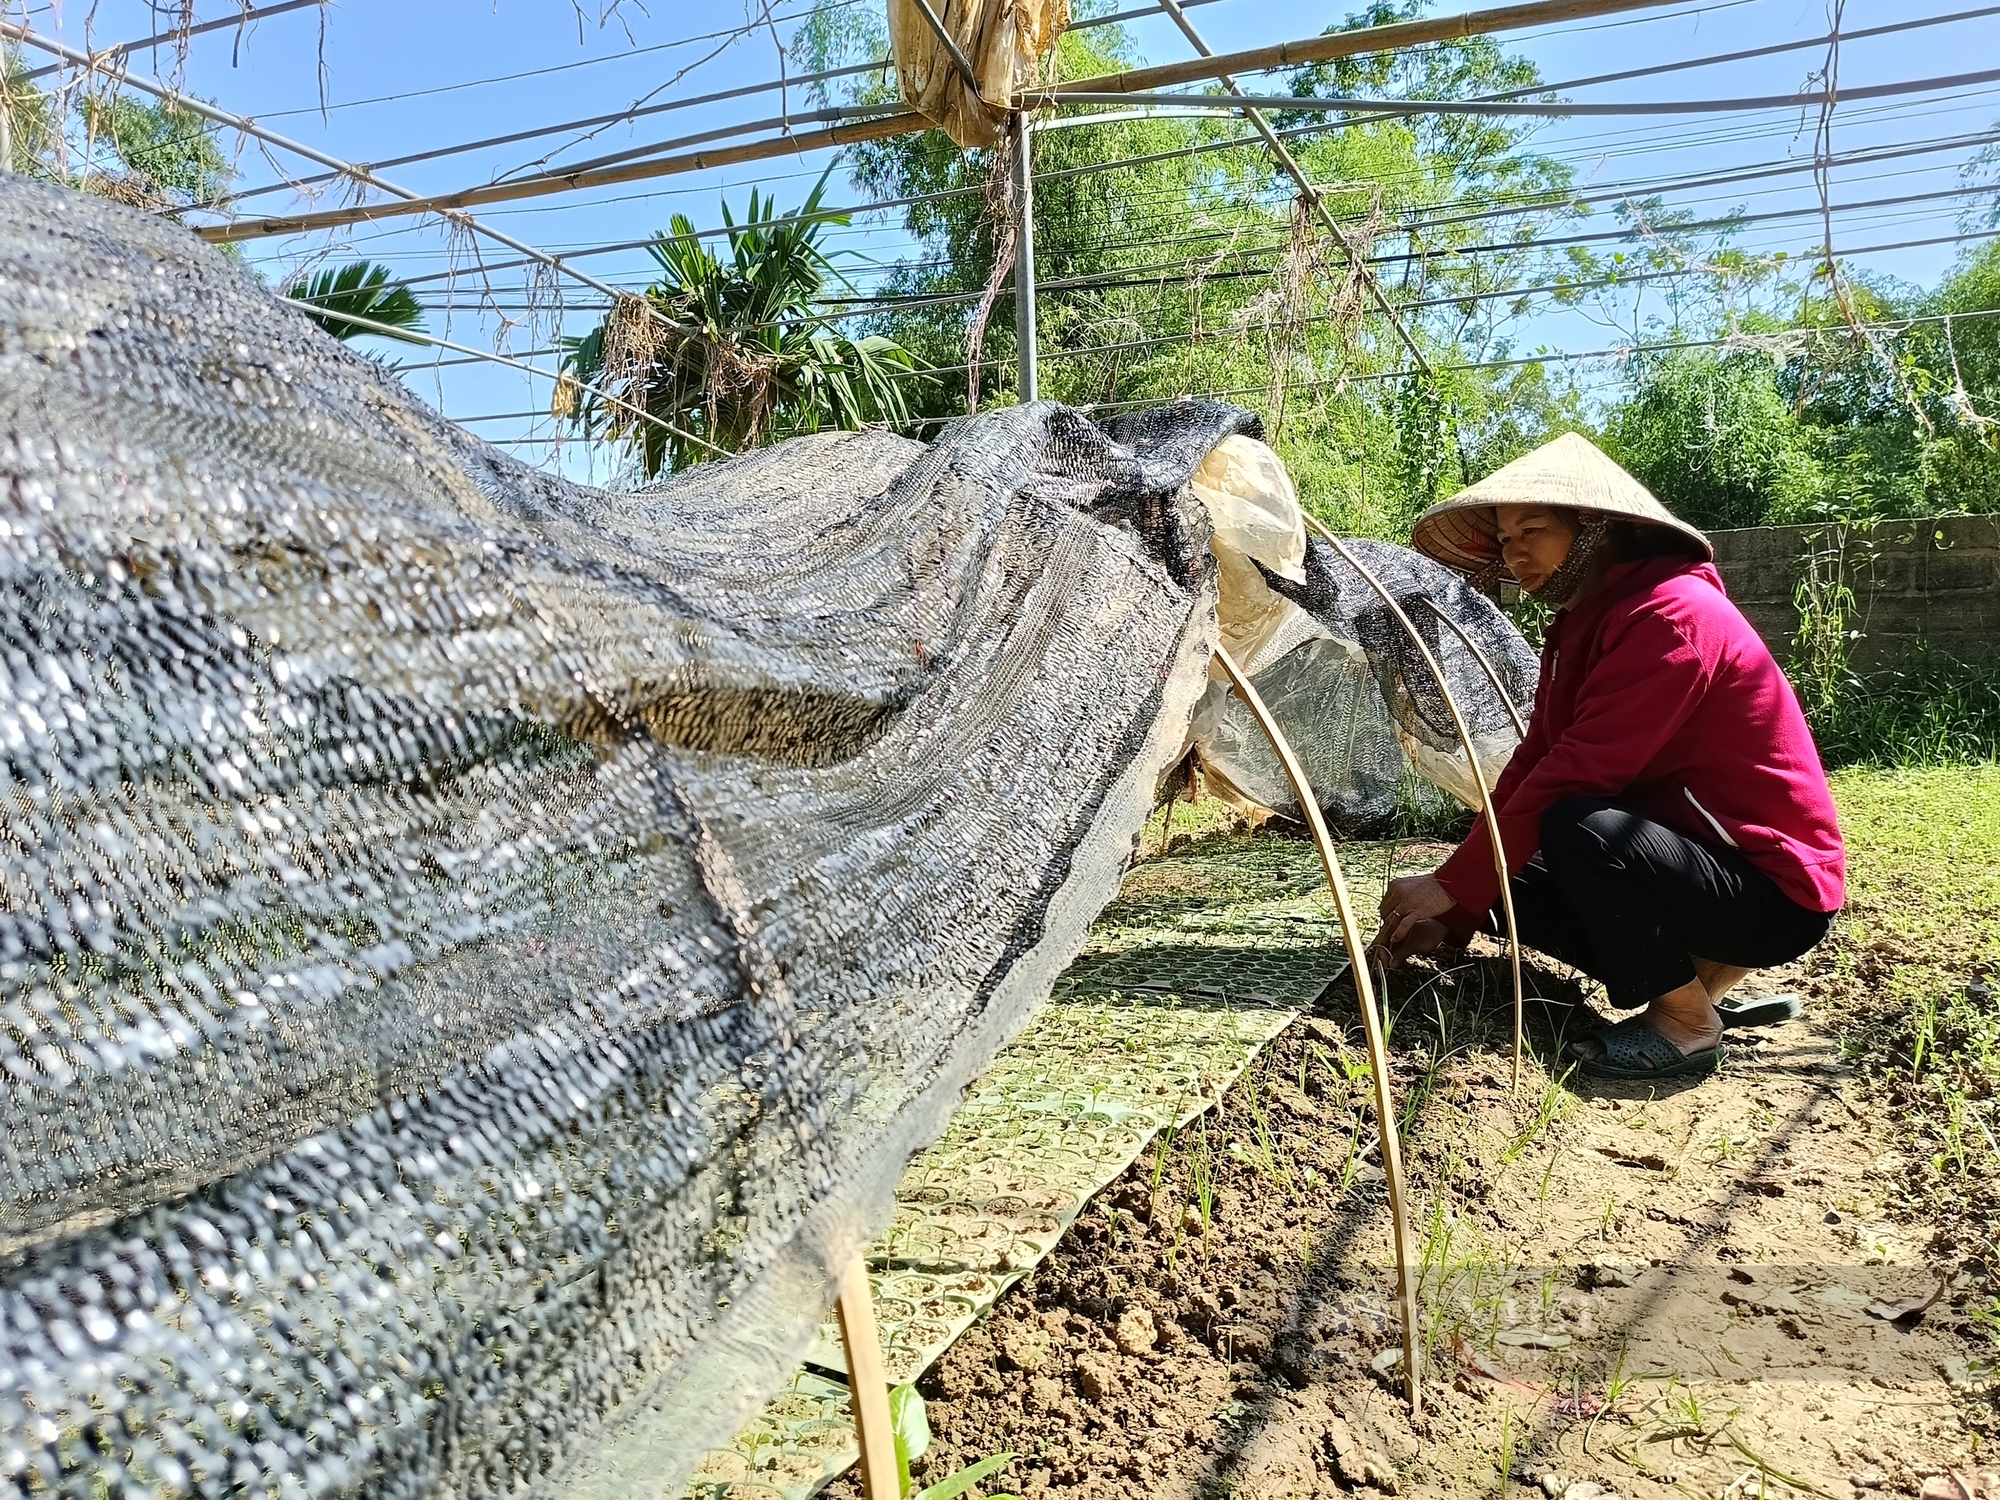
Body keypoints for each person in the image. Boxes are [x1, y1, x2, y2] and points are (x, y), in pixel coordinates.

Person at [1372, 432, 1845, 1080]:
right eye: (1506, 540)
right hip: (1702, 868)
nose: (1515, 555)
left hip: (1771, 887)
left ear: (1592, 526)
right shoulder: (1578, 627)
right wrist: (1458, 906)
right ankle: (1698, 986)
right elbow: (1533, 759)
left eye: (1532, 531)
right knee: (1519, 881)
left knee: (1580, 828)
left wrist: (1453, 884)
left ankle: (1686, 1022)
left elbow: (1577, 771)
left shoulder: (1671, 616)